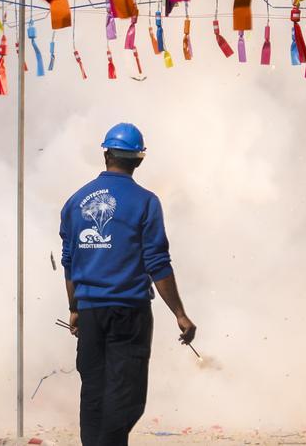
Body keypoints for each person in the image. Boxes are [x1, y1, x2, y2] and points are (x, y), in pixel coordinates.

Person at [60, 122, 196, 446]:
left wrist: (75, 308)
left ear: (106, 154)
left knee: (93, 392)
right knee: (126, 398)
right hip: (129, 313)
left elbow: (69, 262)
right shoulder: (146, 202)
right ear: (139, 160)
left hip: (91, 311)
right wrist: (179, 313)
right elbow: (158, 264)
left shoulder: (75, 202)